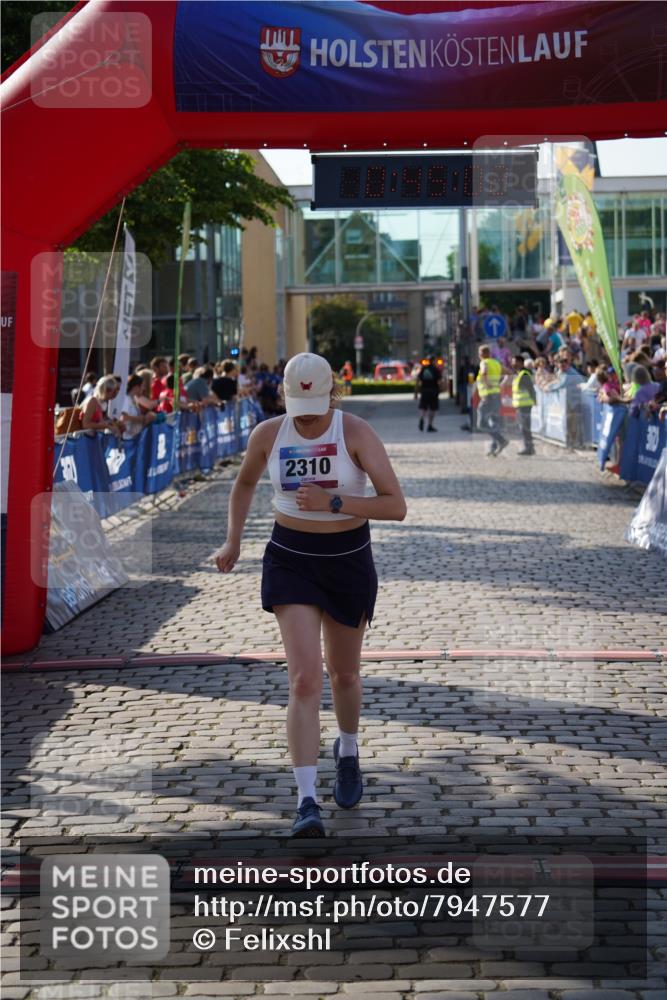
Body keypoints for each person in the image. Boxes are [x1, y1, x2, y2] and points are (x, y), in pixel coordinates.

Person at [215, 352, 407, 837]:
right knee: (303, 679)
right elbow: (243, 485)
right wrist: (233, 539)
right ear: (284, 395)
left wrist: (334, 500)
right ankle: (306, 801)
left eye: (315, 405)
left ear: (332, 395)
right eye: (299, 405)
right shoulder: (268, 434)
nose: (306, 416)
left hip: (346, 559)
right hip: (290, 558)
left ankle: (347, 748)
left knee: (343, 675)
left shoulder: (355, 432)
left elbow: (396, 505)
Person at [476, 345, 508, 456]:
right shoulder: (496, 363)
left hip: (487, 396)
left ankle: (501, 440)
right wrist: (501, 384)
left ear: (481, 354)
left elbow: (484, 372)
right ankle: (494, 447)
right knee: (494, 422)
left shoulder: (484, 363)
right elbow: (508, 372)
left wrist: (487, 383)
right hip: (496, 395)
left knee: (481, 423)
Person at [511, 355, 536, 456]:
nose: (513, 364)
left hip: (525, 405)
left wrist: (534, 400)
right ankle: (529, 447)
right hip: (521, 405)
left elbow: (530, 389)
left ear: (521, 363)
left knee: (525, 428)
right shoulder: (519, 374)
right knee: (523, 427)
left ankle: (529, 448)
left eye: (515, 362)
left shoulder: (524, 374)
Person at [415, 356, 441, 432]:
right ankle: (430, 425)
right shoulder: (436, 370)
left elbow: (418, 380)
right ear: (433, 361)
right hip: (433, 391)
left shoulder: (424, 369)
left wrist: (416, 392)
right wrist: (442, 389)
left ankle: (422, 418)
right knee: (432, 409)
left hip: (424, 391)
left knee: (423, 407)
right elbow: (440, 381)